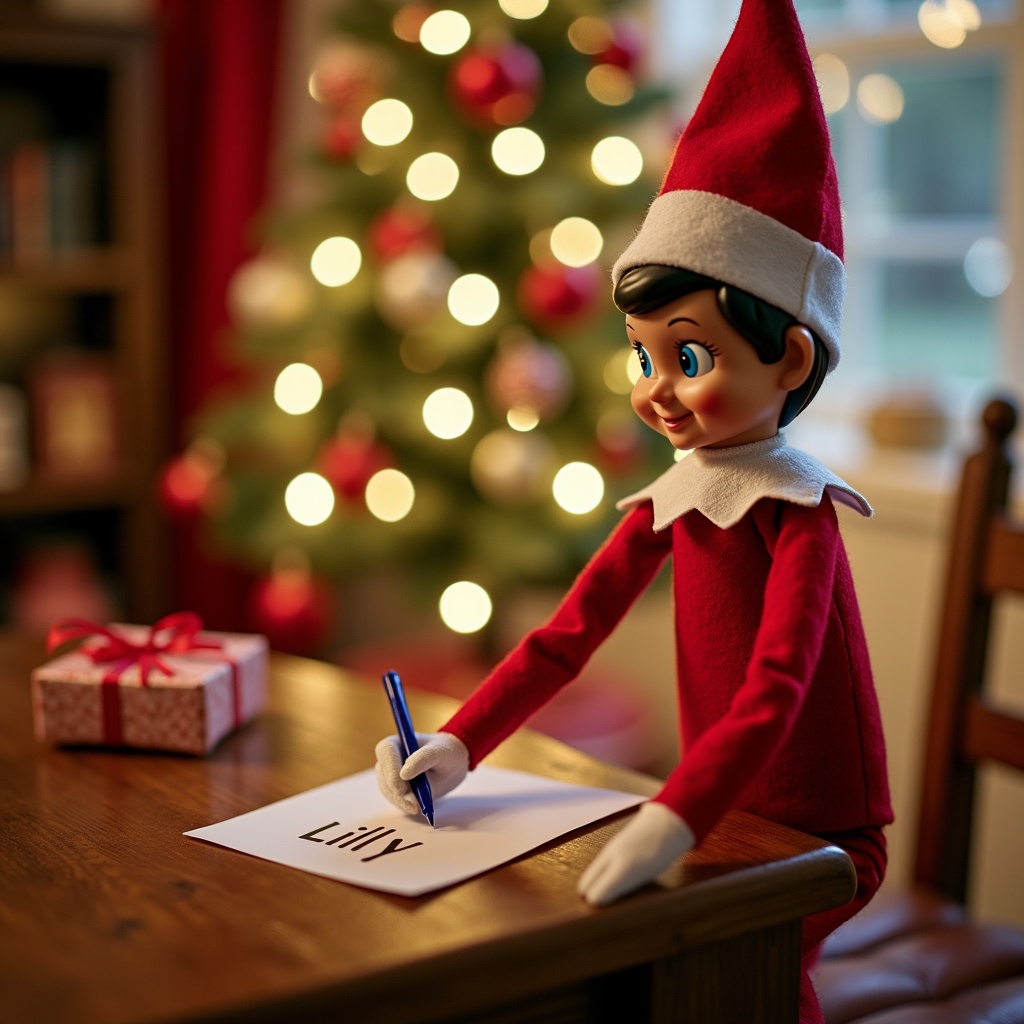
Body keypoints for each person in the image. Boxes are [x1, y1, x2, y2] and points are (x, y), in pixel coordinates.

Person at [376, 1, 892, 1019]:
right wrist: (463, 739)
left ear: (788, 357)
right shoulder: (673, 498)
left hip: (817, 837)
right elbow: (566, 636)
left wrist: (675, 813)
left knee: (731, 984)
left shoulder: (798, 510)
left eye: (687, 357)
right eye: (641, 355)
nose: (654, 388)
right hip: (728, 816)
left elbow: (778, 685)